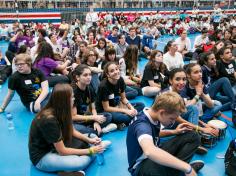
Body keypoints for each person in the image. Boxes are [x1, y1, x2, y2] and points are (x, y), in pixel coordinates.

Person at [28, 83, 106, 175]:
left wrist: (89, 140)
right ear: (64, 100)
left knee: (93, 136)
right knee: (79, 163)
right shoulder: (49, 120)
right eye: (72, 97)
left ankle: (66, 170)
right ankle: (68, 170)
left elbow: (71, 130)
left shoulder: (63, 110)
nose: (74, 99)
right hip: (43, 156)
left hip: (56, 145)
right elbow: (62, 151)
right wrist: (90, 151)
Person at [126, 92, 204, 176]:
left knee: (193, 136)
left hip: (152, 159)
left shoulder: (152, 114)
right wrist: (186, 167)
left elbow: (153, 134)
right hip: (141, 167)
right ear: (162, 112)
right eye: (172, 118)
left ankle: (178, 172)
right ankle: (181, 172)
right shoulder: (142, 125)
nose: (173, 122)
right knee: (154, 168)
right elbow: (150, 151)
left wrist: (174, 132)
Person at [71, 64, 116, 136]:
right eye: (85, 75)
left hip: (87, 118)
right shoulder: (73, 92)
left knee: (108, 116)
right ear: (77, 77)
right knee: (75, 128)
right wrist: (94, 117)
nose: (89, 77)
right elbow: (74, 117)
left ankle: (93, 131)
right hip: (75, 121)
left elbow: (93, 109)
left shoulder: (89, 88)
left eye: (90, 74)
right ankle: (98, 131)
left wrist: (96, 121)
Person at [96, 62, 145, 127]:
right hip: (106, 110)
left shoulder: (120, 80)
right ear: (108, 74)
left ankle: (129, 119)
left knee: (141, 105)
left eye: (116, 69)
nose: (116, 72)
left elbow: (123, 98)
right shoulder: (103, 86)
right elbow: (106, 108)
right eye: (112, 71)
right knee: (120, 118)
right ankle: (133, 118)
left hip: (117, 106)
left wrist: (131, 108)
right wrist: (125, 111)